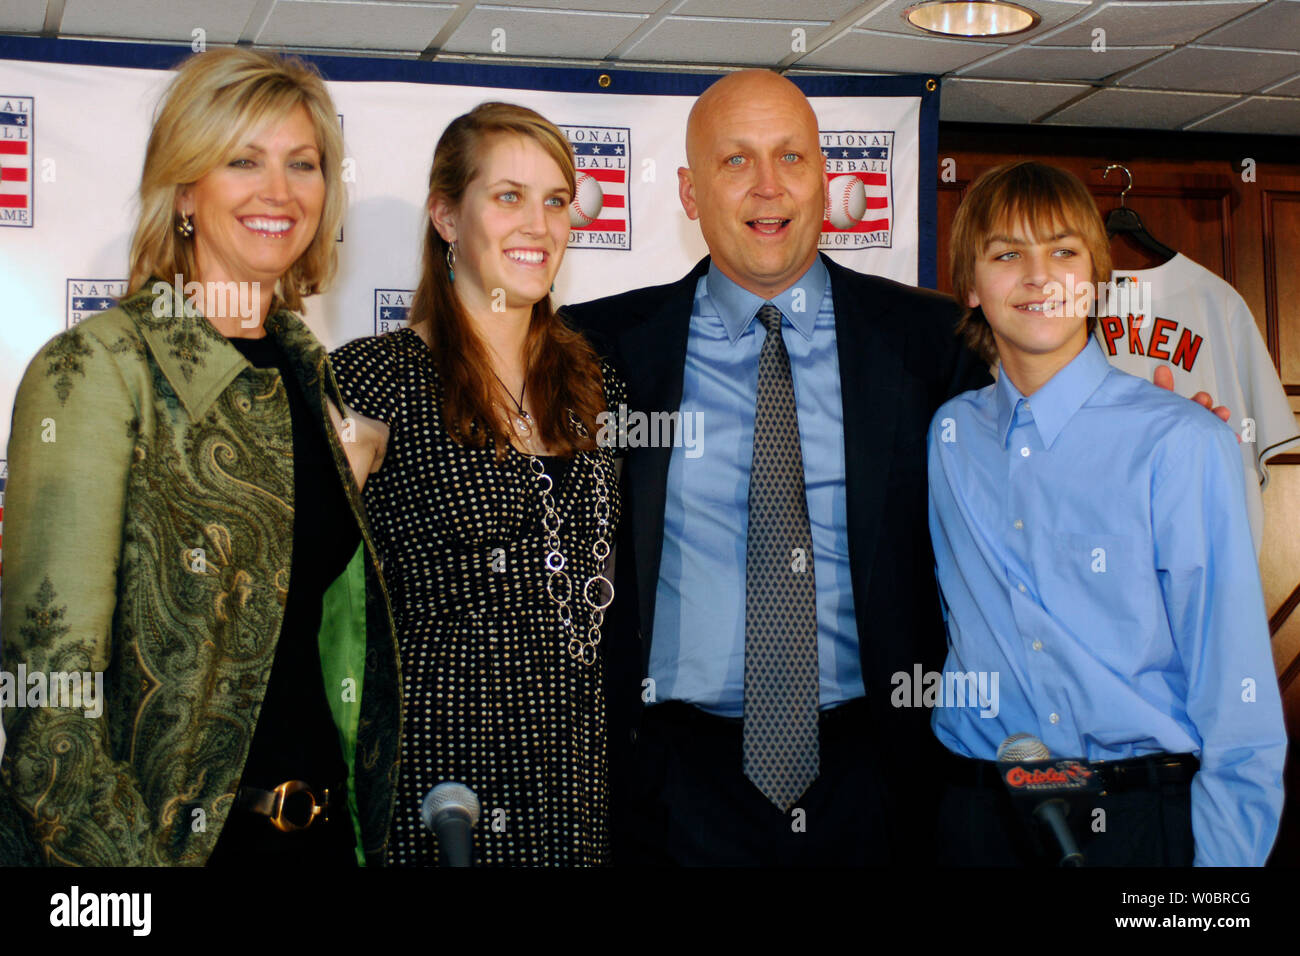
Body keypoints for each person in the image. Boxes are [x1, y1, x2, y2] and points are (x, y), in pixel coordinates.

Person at [563, 69, 991, 865]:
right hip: (670, 783)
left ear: (826, 180)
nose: (769, 187)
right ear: (690, 195)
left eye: (792, 158)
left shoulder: (930, 340)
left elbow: (1018, 499)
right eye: (736, 162)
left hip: (879, 772)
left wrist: (1141, 434)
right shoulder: (598, 346)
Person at [0, 47, 400, 866]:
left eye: (303, 164)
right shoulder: (96, 370)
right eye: (241, 160)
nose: (280, 191)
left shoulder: (310, 374)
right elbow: (50, 703)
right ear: (185, 191)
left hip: (321, 839)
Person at [928, 161, 1286, 866]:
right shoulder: (949, 437)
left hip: (1136, 819)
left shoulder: (1182, 442)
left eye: (1063, 251)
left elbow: (1234, 682)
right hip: (979, 815)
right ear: (970, 287)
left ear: (1095, 279)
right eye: (1007, 254)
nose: (1039, 277)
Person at [330, 103, 624, 866]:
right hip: (438, 773)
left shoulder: (599, 385)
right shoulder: (375, 377)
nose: (538, 224)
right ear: (446, 216)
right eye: (508, 197)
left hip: (576, 771)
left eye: (556, 201)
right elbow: (306, 592)